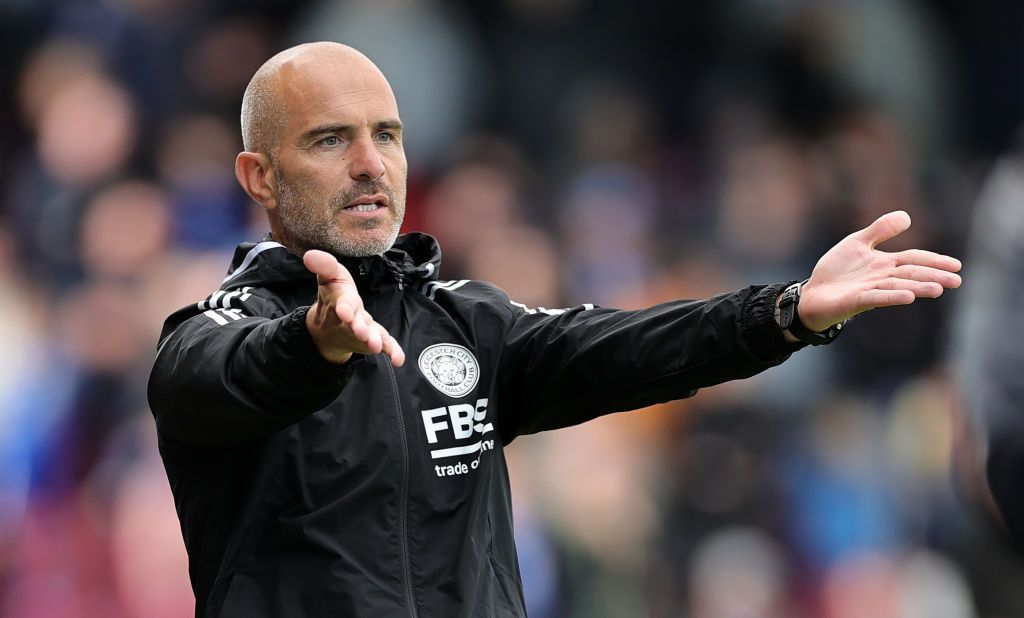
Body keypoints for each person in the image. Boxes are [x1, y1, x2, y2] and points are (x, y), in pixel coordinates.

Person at [147, 42, 962, 618]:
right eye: (331, 139)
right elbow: (227, 374)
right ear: (259, 175)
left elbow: (634, 347)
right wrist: (315, 343)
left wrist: (786, 312)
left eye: (387, 135)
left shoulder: (464, 324)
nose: (371, 163)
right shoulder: (214, 331)